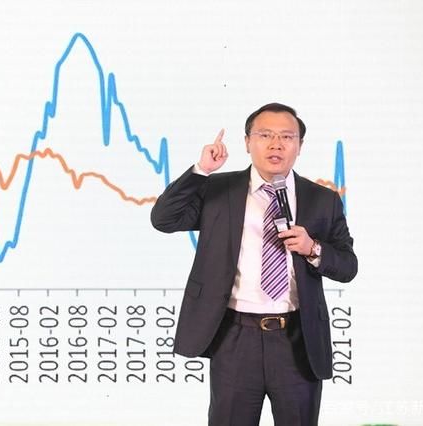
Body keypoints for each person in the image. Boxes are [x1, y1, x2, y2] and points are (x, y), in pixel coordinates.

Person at [151, 102, 357, 426]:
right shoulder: (218, 189)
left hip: (298, 341)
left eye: (287, 137)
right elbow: (164, 219)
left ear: (300, 146)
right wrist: (202, 170)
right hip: (234, 339)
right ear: (247, 142)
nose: (276, 144)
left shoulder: (322, 199)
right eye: (265, 135)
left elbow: (348, 266)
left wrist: (312, 248)